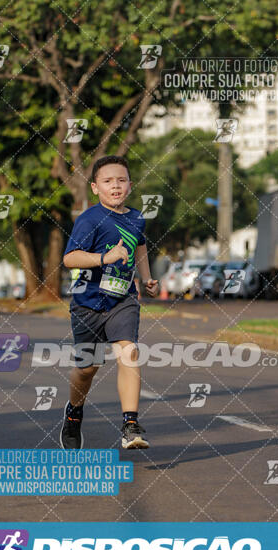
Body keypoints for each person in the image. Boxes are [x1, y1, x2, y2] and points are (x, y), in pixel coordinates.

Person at [60, 155, 159, 450]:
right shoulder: (89, 219)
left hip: (122, 299)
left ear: (130, 185)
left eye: (121, 180)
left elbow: (139, 245)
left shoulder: (137, 218)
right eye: (107, 181)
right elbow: (70, 258)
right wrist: (105, 258)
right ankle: (74, 414)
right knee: (88, 368)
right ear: (95, 187)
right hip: (87, 301)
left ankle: (130, 424)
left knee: (128, 352)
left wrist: (146, 278)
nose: (115, 186)